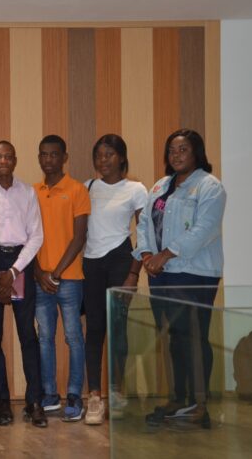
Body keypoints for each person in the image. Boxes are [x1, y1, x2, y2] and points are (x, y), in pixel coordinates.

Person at [133, 129, 226, 429]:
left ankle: (200, 405)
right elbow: (145, 220)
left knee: (195, 338)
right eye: (172, 150)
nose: (176, 155)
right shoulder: (161, 185)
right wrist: (147, 253)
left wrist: (167, 254)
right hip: (161, 274)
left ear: (196, 152)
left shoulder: (210, 187)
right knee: (171, 337)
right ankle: (177, 398)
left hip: (194, 273)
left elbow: (204, 230)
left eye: (183, 149)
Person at [81, 134, 147, 425]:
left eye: (109, 154)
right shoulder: (87, 187)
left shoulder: (136, 189)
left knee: (118, 330)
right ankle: (94, 396)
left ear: (121, 157)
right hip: (91, 264)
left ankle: (118, 393)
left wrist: (134, 272)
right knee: (94, 329)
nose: (103, 160)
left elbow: (145, 235)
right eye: (99, 155)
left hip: (121, 261)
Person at [0, 141, 46, 427]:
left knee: (27, 336)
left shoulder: (28, 191)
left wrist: (14, 270)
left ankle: (34, 401)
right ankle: (1, 403)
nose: (3, 160)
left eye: (8, 156)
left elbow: (36, 236)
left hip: (20, 265)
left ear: (15, 159)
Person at [33, 134, 90, 423]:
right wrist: (39, 273)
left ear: (64, 157)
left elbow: (79, 237)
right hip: (40, 280)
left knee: (73, 337)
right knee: (44, 338)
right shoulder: (33, 191)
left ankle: (75, 396)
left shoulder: (77, 190)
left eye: (54, 154)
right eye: (43, 154)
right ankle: (49, 395)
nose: (48, 160)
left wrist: (55, 274)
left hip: (69, 279)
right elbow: (26, 239)